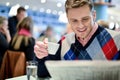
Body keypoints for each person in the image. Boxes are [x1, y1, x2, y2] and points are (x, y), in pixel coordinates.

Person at [34, 0, 120, 78]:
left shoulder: (117, 40)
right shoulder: (64, 42)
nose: (80, 26)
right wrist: (40, 56)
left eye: (85, 19)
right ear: (68, 20)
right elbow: (43, 73)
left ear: (94, 15)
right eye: (74, 21)